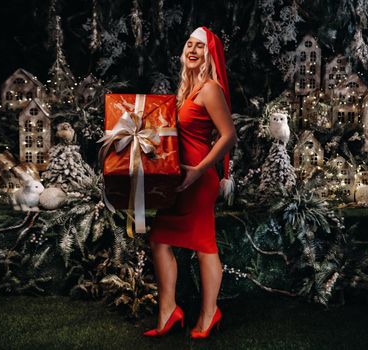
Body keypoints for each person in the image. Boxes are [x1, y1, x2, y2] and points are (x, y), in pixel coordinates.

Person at [143, 26, 236, 339]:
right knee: (159, 239)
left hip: (199, 178)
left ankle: (210, 314)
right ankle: (168, 312)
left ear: (208, 54)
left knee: (205, 247)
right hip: (179, 179)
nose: (192, 50)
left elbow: (228, 136)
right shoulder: (186, 90)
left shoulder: (210, 89)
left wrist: (199, 169)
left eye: (199, 46)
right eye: (189, 45)